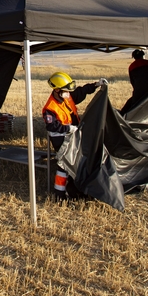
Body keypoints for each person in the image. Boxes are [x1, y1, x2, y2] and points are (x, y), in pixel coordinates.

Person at [43, 71, 102, 200]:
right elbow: (52, 126)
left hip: (72, 135)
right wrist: (69, 128)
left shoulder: (66, 97)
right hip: (60, 139)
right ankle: (59, 195)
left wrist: (96, 85)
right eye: (66, 91)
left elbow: (81, 92)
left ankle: (75, 187)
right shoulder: (50, 108)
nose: (68, 94)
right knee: (65, 164)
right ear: (57, 90)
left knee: (76, 161)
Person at [121, 48, 148, 114]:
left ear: (134, 57)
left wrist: (136, 88)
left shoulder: (131, 66)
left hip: (138, 89)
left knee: (134, 104)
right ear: (142, 55)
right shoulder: (146, 62)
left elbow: (132, 81)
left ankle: (127, 115)